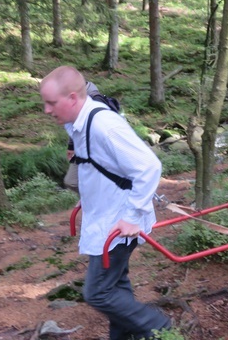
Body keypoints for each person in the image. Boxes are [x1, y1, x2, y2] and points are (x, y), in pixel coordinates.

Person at [40, 66, 171, 340]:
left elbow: (148, 167)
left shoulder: (103, 125)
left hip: (119, 225)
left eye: (51, 103)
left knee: (98, 292)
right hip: (105, 218)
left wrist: (132, 216)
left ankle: (160, 328)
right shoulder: (79, 123)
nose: (46, 110)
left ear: (73, 98)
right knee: (116, 287)